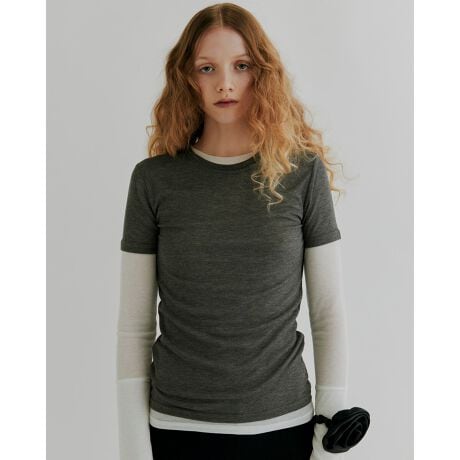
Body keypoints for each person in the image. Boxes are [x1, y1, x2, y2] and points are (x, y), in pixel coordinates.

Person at [116, 3, 349, 460]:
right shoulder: (153, 180)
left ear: (262, 72)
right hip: (177, 430)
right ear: (188, 78)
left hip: (284, 428)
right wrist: (132, 447)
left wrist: (331, 428)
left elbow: (328, 312)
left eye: (241, 66)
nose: (225, 82)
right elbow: (134, 327)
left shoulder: (302, 174)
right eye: (208, 68)